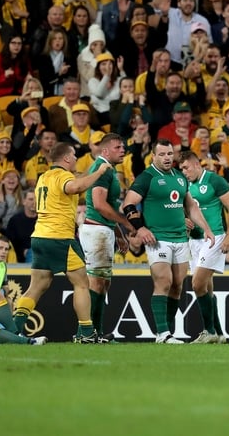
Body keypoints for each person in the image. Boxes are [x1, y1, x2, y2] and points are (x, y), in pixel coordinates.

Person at [12, 142, 112, 344]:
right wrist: (100, 171)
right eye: (74, 155)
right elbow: (76, 186)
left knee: (37, 286)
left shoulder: (43, 178)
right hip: (59, 238)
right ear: (66, 158)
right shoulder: (63, 176)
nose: (76, 158)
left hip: (39, 237)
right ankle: (87, 333)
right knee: (82, 283)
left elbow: (74, 184)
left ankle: (13, 329)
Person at [122, 139, 215, 344]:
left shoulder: (180, 178)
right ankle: (163, 334)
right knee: (163, 282)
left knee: (177, 286)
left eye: (170, 154)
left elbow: (191, 207)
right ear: (153, 156)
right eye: (162, 154)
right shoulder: (146, 178)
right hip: (158, 239)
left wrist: (206, 229)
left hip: (181, 239)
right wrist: (141, 228)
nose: (167, 158)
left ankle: (166, 333)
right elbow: (128, 205)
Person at [79, 134, 135, 341]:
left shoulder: (108, 169)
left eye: (123, 146)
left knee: (103, 283)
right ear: (105, 151)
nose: (123, 150)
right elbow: (100, 205)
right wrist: (126, 224)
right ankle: (85, 333)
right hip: (96, 231)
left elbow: (107, 205)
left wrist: (119, 234)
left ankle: (96, 333)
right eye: (118, 147)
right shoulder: (101, 170)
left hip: (103, 231)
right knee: (95, 282)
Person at [179, 151, 229, 343]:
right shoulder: (186, 185)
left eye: (186, 167)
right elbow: (185, 210)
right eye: (181, 169)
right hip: (194, 241)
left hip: (214, 238)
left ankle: (209, 331)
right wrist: (185, 220)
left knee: (197, 283)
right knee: (206, 287)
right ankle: (219, 334)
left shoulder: (214, 180)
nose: (184, 172)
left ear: (197, 164)